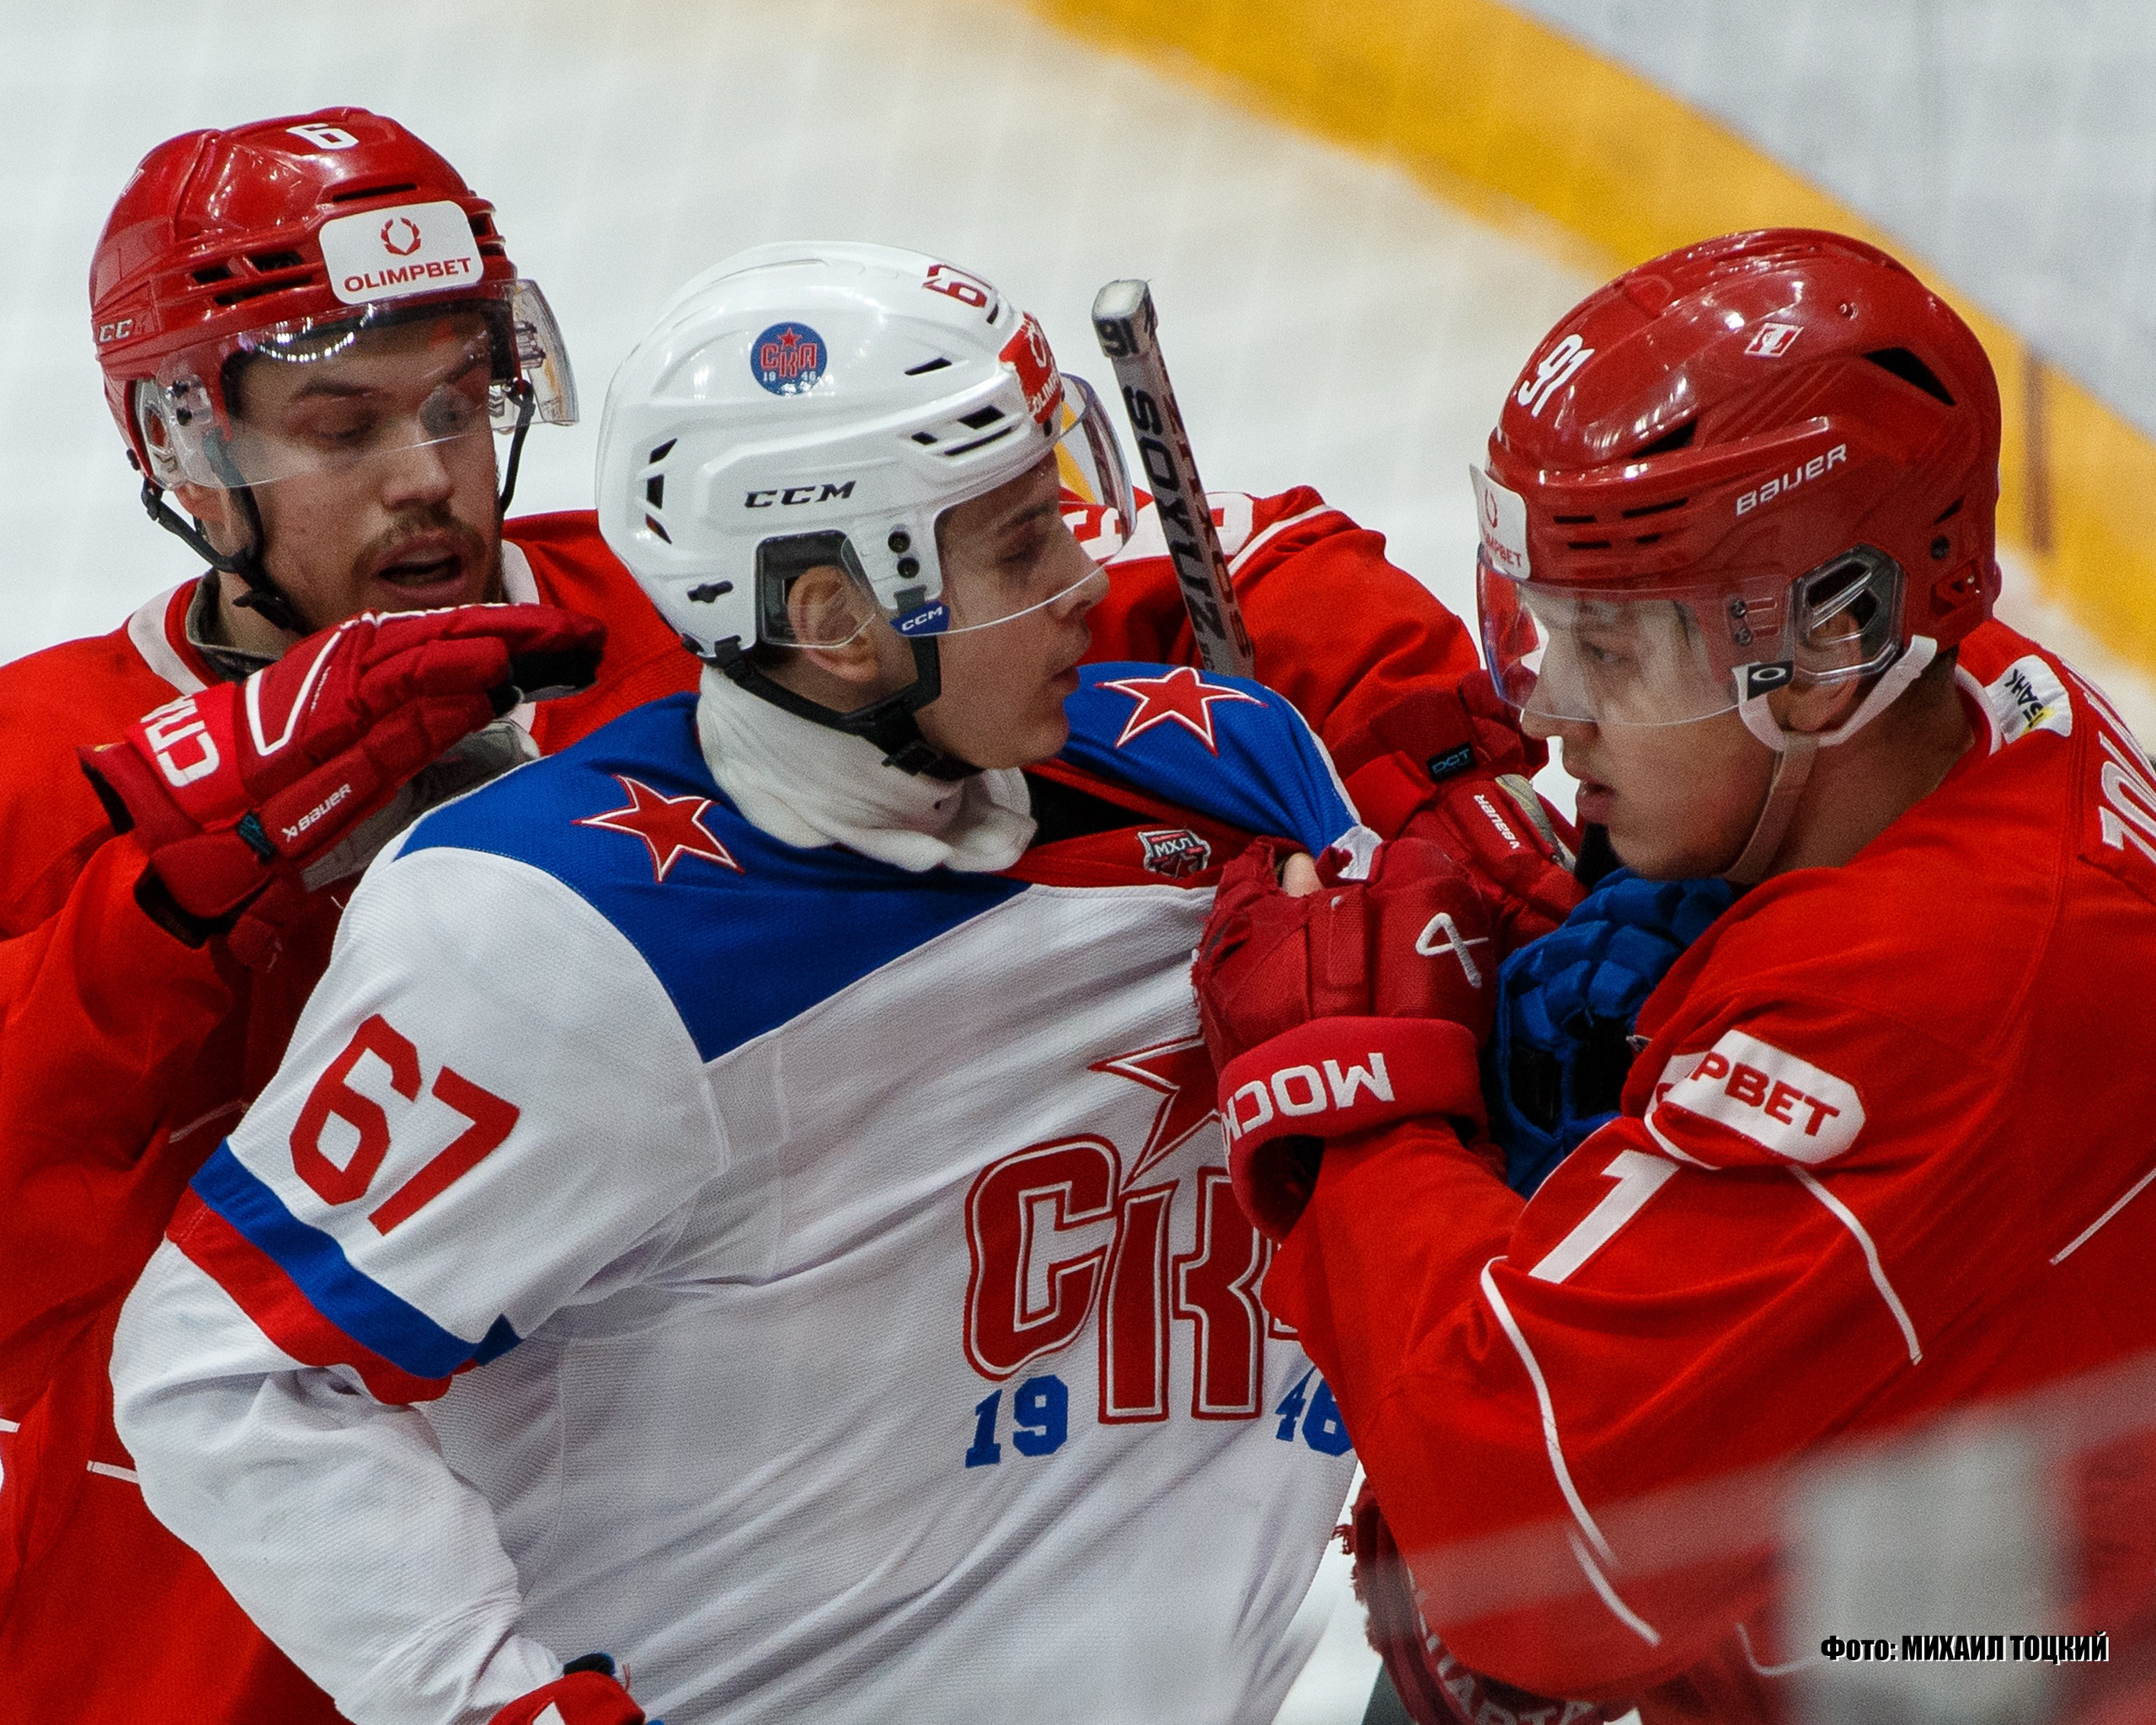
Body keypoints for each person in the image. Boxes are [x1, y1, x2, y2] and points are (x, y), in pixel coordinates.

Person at [106, 241, 1572, 1725]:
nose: (1086, 579)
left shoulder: (1237, 768)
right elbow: (222, 1376)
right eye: (1018, 546)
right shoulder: (547, 928)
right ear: (835, 620)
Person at [1186, 228, 2156, 1723]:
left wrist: (1359, 1104)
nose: (1553, 713)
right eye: (1545, 630)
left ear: (1830, 646)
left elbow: (1532, 1562)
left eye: (1615, 649)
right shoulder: (1957, 709)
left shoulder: (1927, 995)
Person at [0, 107, 699, 1722]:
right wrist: (174, 906)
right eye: (340, 428)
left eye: (460, 407)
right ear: (186, 446)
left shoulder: (670, 625)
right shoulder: (47, 768)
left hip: (669, 1575)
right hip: (194, 1615)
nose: (429, 483)